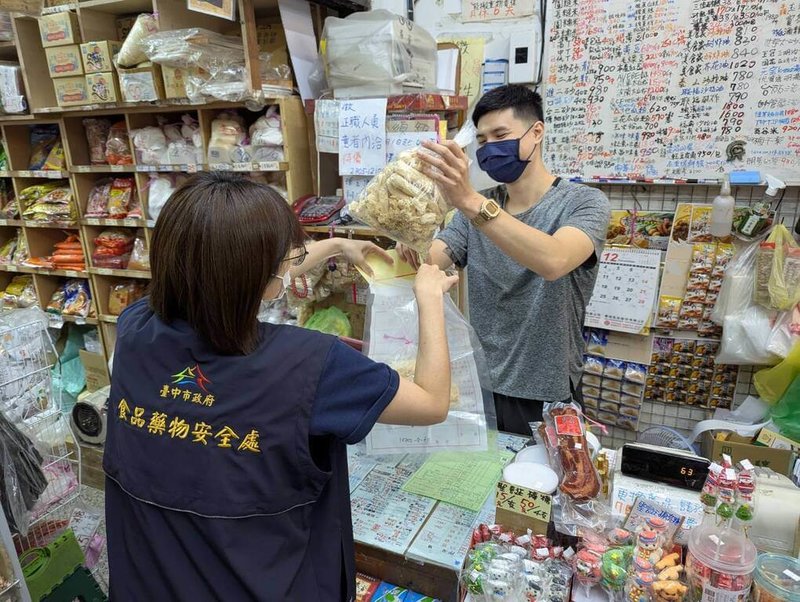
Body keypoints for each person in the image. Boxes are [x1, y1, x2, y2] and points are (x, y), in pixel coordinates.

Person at [103, 172, 458, 601]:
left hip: (152, 581)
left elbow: (224, 271)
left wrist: (337, 246)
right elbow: (432, 403)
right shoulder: (312, 363)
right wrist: (430, 299)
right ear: (263, 277)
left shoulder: (135, 328)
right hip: (265, 582)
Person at [399, 84, 611, 435]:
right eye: (481, 141)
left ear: (536, 132)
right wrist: (408, 230)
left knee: (542, 485)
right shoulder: (475, 207)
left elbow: (554, 260)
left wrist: (468, 200)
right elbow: (432, 260)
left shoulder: (583, 202)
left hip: (547, 391)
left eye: (500, 135)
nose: (490, 148)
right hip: (479, 381)